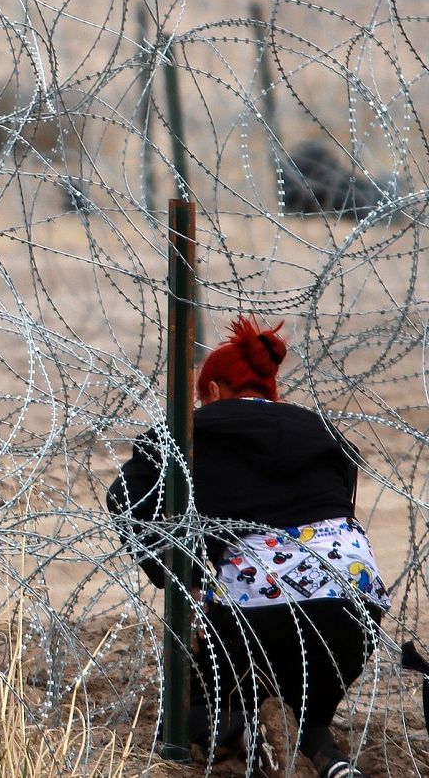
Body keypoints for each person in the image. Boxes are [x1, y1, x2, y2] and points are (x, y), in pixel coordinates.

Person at [108, 317, 387, 777]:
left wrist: (180, 577)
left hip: (257, 607)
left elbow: (124, 496)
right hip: (353, 604)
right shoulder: (320, 431)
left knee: (190, 707)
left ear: (213, 391)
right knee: (309, 702)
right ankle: (328, 758)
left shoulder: (192, 430)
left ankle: (244, 732)